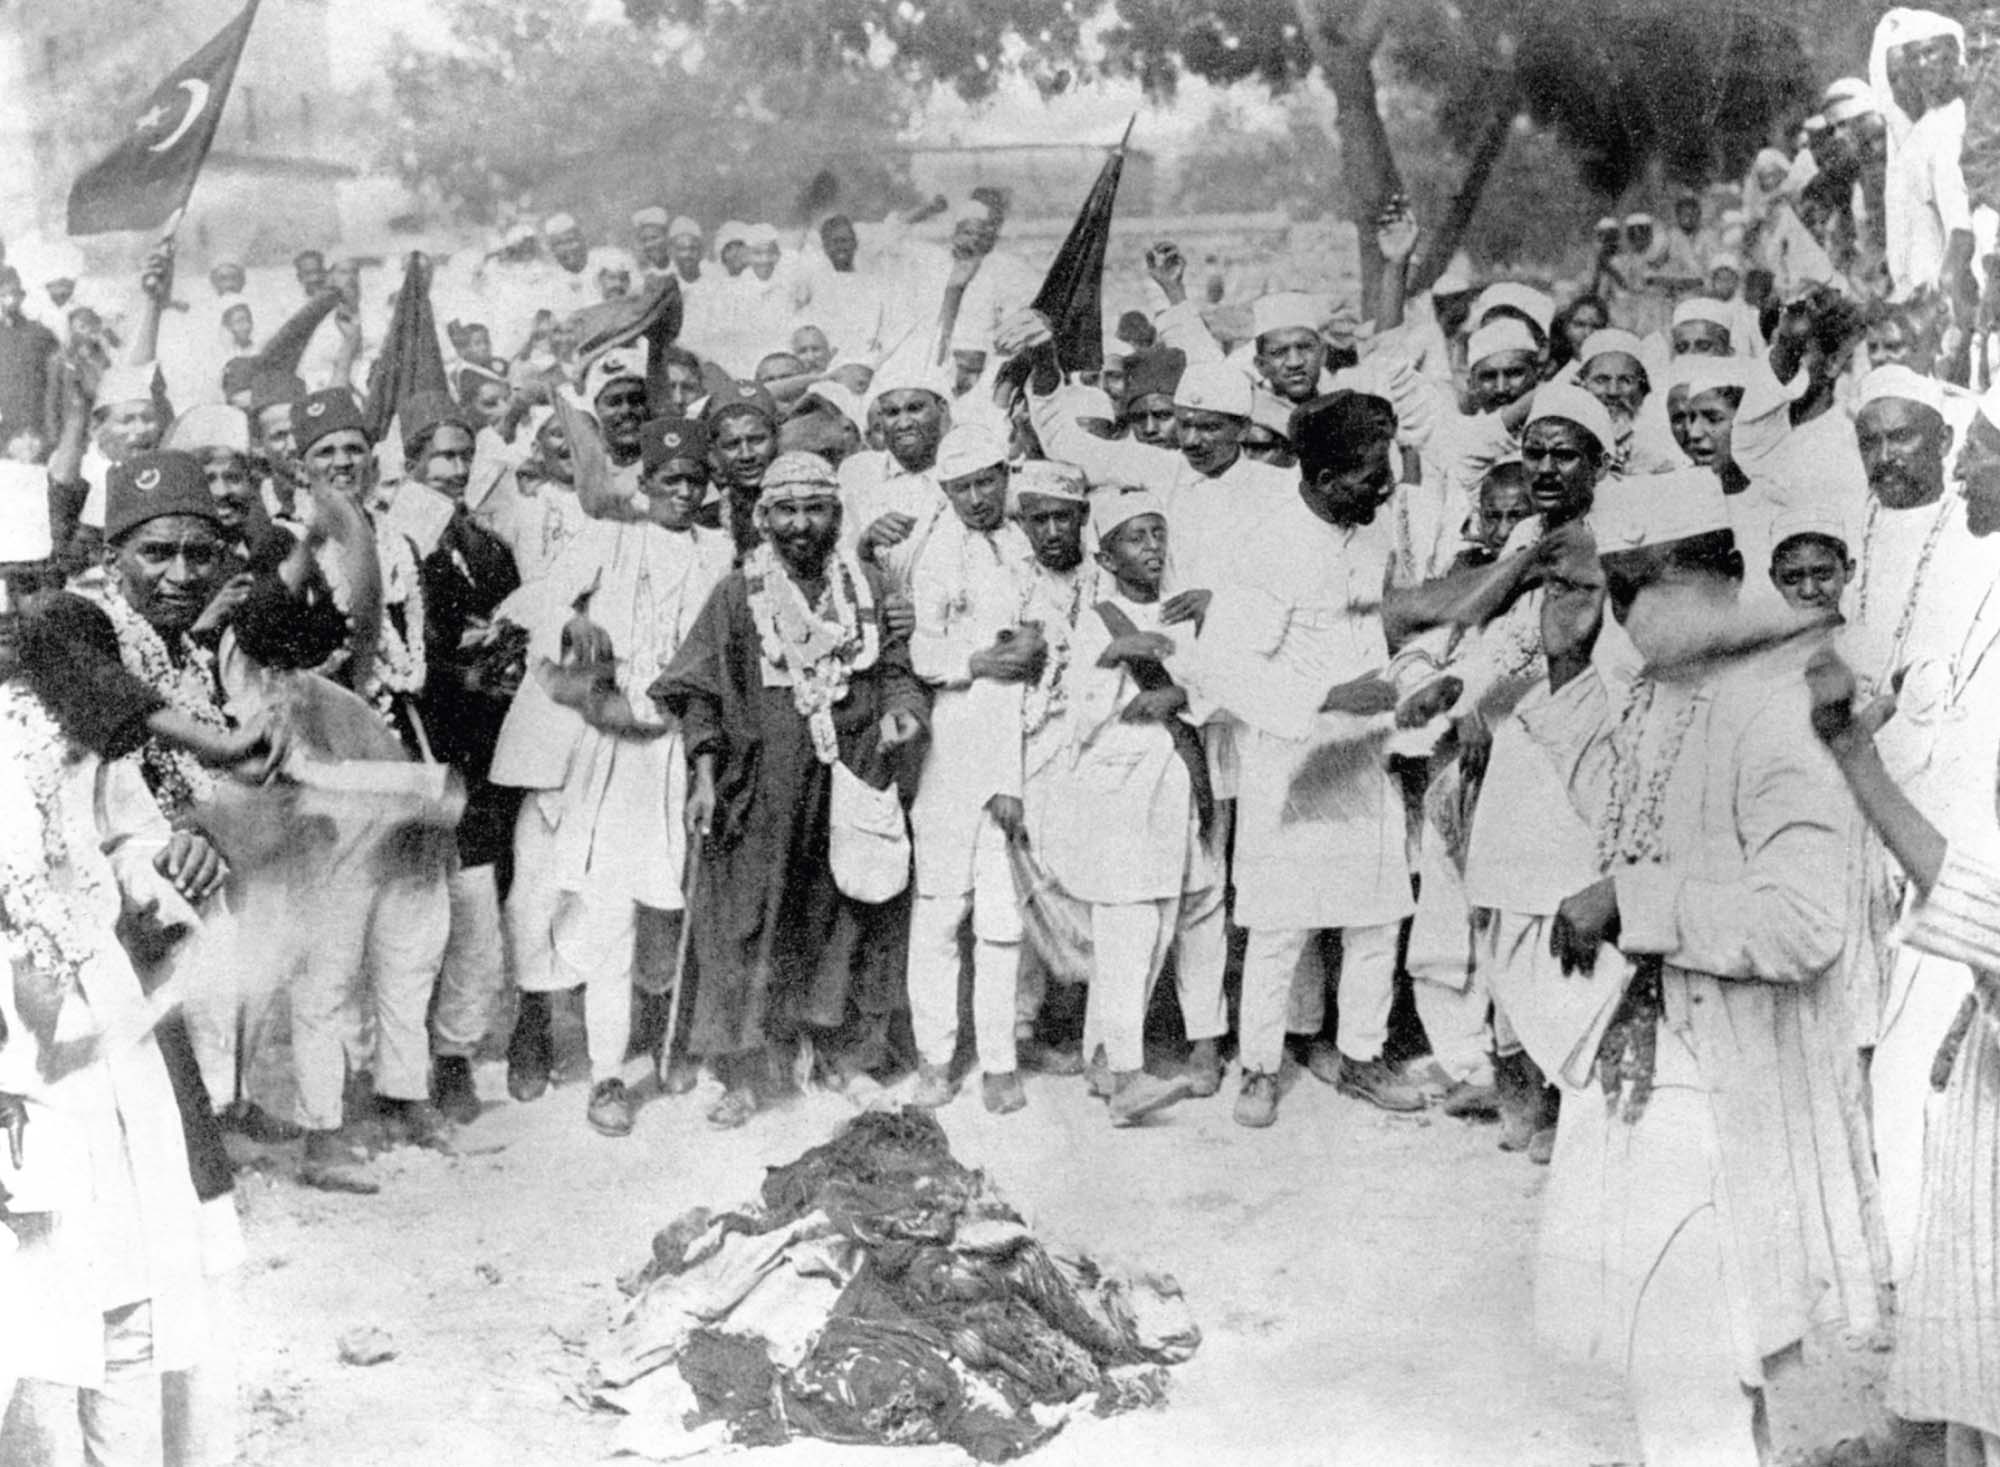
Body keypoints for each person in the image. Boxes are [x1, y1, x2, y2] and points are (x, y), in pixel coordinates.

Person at [1535, 469, 1885, 1467]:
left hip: (1728, 1081)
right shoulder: (1669, 687)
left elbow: (1802, 925)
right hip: (1650, 1055)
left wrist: (1633, 905)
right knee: (1677, 1356)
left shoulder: (1776, 704)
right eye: (1614, 589)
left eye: (1635, 586)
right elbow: (1627, 819)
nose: (1620, 613)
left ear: (1718, 579)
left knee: (1693, 1356)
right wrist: (1566, 675)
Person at [654, 452, 929, 1127]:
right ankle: (745, 1072)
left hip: (852, 774)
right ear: (764, 517)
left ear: (837, 515)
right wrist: (704, 777)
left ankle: (849, 1058)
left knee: (852, 915)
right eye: (787, 510)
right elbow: (700, 693)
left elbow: (897, 670)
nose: (801, 525)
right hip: (762, 789)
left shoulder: (866, 587)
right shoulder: (736, 594)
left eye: (815, 509)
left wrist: (902, 710)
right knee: (749, 923)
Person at [227, 387, 454, 1193]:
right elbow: (260, 634)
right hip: (325, 778)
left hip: (399, 759)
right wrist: (321, 540)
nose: (343, 463)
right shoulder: (279, 543)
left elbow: (418, 654)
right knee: (328, 963)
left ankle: (405, 1094)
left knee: (412, 940)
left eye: (354, 448)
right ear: (301, 464)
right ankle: (323, 1130)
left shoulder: (398, 541)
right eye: (326, 452)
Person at [1187, 392, 1427, 1125]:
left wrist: (1409, 691)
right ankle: (1260, 1068)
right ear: (1323, 478)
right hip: (1292, 764)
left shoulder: (1374, 533)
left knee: (1377, 918)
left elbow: (1388, 628)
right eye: (1369, 476)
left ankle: (1361, 1056)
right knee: (1280, 926)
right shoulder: (1268, 548)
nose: (1384, 487)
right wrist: (1326, 695)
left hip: (1366, 760)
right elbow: (1222, 669)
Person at [500, 416, 731, 1134]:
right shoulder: (609, 536)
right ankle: (605, 1073)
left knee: (671, 904)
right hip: (610, 742)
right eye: (670, 480)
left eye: (695, 480)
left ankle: (670, 1038)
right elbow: (537, 601)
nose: (683, 493)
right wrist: (572, 623)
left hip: (680, 742)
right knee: (606, 909)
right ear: (646, 482)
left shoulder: (718, 551)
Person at [1046, 488, 1224, 1126]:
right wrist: (1114, 654)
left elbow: (1219, 683)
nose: (1150, 548)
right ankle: (1125, 1075)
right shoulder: (1097, 620)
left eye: (1157, 534)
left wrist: (1179, 694)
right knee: (1128, 930)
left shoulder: (1186, 612)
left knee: (1174, 920)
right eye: (1134, 538)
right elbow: (1080, 716)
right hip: (1121, 796)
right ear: (1106, 556)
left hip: (1183, 784)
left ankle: (1107, 1058)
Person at [903, 425, 1042, 1113]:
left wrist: (1024, 652)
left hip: (1016, 738)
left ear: (1004, 477)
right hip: (952, 746)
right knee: (939, 910)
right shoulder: (933, 555)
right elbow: (921, 651)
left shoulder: (1024, 546)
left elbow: (1041, 635)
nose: (979, 496)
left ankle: (999, 1060)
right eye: (964, 487)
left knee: (1002, 916)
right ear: (947, 490)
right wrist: (977, 659)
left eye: (989, 481)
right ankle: (935, 1058)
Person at [403, 401, 524, 1127]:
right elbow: (395, 652)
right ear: (412, 463)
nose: (453, 469)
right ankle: (394, 1064)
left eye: (462, 456)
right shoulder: (397, 542)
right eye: (441, 457)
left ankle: (453, 1053)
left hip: (483, 750)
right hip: (419, 745)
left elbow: (514, 622)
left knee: (478, 905)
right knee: (414, 917)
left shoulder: (485, 544)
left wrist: (503, 657)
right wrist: (460, 672)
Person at [0, 264, 59, 452]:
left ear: (22, 296)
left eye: (13, 294)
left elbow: (58, 384)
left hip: (36, 427)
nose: (8, 300)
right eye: (3, 295)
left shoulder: (41, 335)